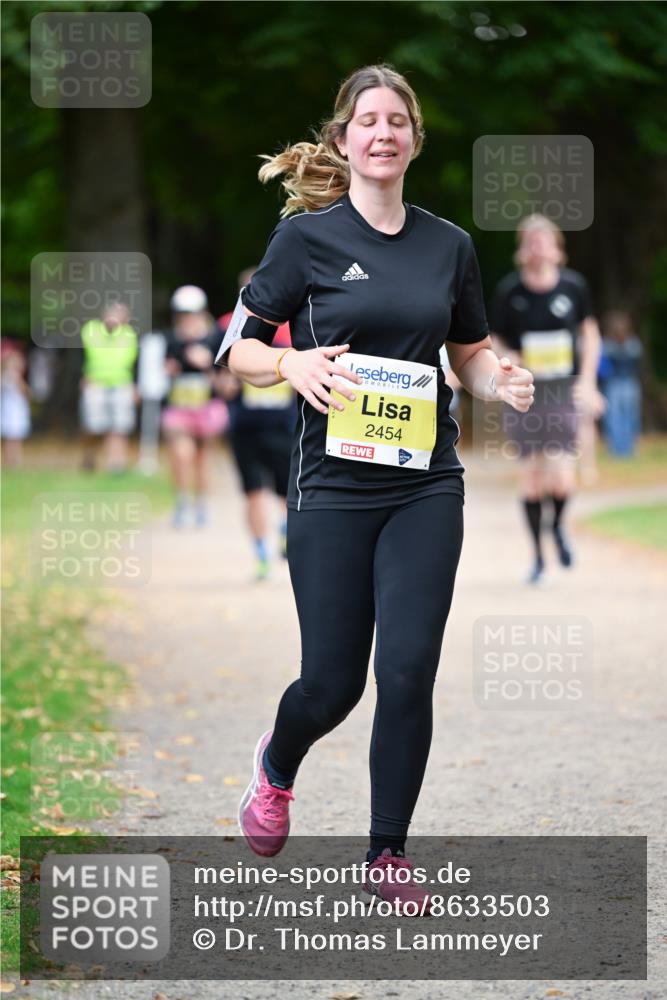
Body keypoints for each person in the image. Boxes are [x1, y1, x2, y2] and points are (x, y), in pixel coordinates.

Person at [217, 64, 534, 914]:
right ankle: (276, 766)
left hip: (423, 484)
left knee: (406, 668)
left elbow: (465, 350)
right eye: (368, 120)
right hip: (329, 488)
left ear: (414, 140)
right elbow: (235, 351)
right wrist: (287, 360)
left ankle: (386, 851)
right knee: (331, 683)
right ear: (343, 138)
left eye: (398, 120)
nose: (383, 132)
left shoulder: (448, 245)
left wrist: (494, 378)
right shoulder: (306, 240)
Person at [490, 215, 602, 585]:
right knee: (532, 480)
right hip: (526, 392)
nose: (538, 247)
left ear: (556, 247)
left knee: (562, 478)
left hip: (563, 390)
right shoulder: (510, 291)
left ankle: (558, 526)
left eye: (544, 240)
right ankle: (538, 556)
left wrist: (587, 380)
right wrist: (512, 358)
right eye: (531, 241)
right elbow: (494, 339)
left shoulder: (573, 287)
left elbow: (589, 334)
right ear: (523, 248)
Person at [217, 267, 297, 580]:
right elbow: (217, 370)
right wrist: (225, 383)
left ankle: (287, 534)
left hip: (284, 426)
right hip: (244, 427)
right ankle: (261, 553)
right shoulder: (227, 326)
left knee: (286, 492)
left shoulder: (293, 326)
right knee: (251, 492)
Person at [162, 285, 228, 527]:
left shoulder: (213, 338)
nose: (187, 318)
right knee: (182, 454)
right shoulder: (170, 339)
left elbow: (223, 377)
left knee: (202, 458)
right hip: (179, 407)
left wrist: (207, 364)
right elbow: (164, 370)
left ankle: (201, 504)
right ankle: (181, 501)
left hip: (207, 407)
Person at [79, 302, 138, 472]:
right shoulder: (91, 330)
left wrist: (133, 386)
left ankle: (116, 463)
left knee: (119, 426)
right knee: (93, 426)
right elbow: (82, 354)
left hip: (121, 383)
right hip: (95, 382)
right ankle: (89, 455)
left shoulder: (128, 335)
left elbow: (132, 362)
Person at [600, 309, 643, 457]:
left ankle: (629, 448)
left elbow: (636, 363)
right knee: (614, 417)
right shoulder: (608, 344)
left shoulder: (632, 343)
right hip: (614, 383)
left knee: (630, 416)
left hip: (628, 382)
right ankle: (617, 449)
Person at [1, 341, 31, 466]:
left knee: (14, 437)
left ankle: (14, 460)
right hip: (10, 410)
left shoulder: (11, 376)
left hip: (15, 409)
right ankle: (11, 460)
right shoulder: (9, 377)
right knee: (11, 437)